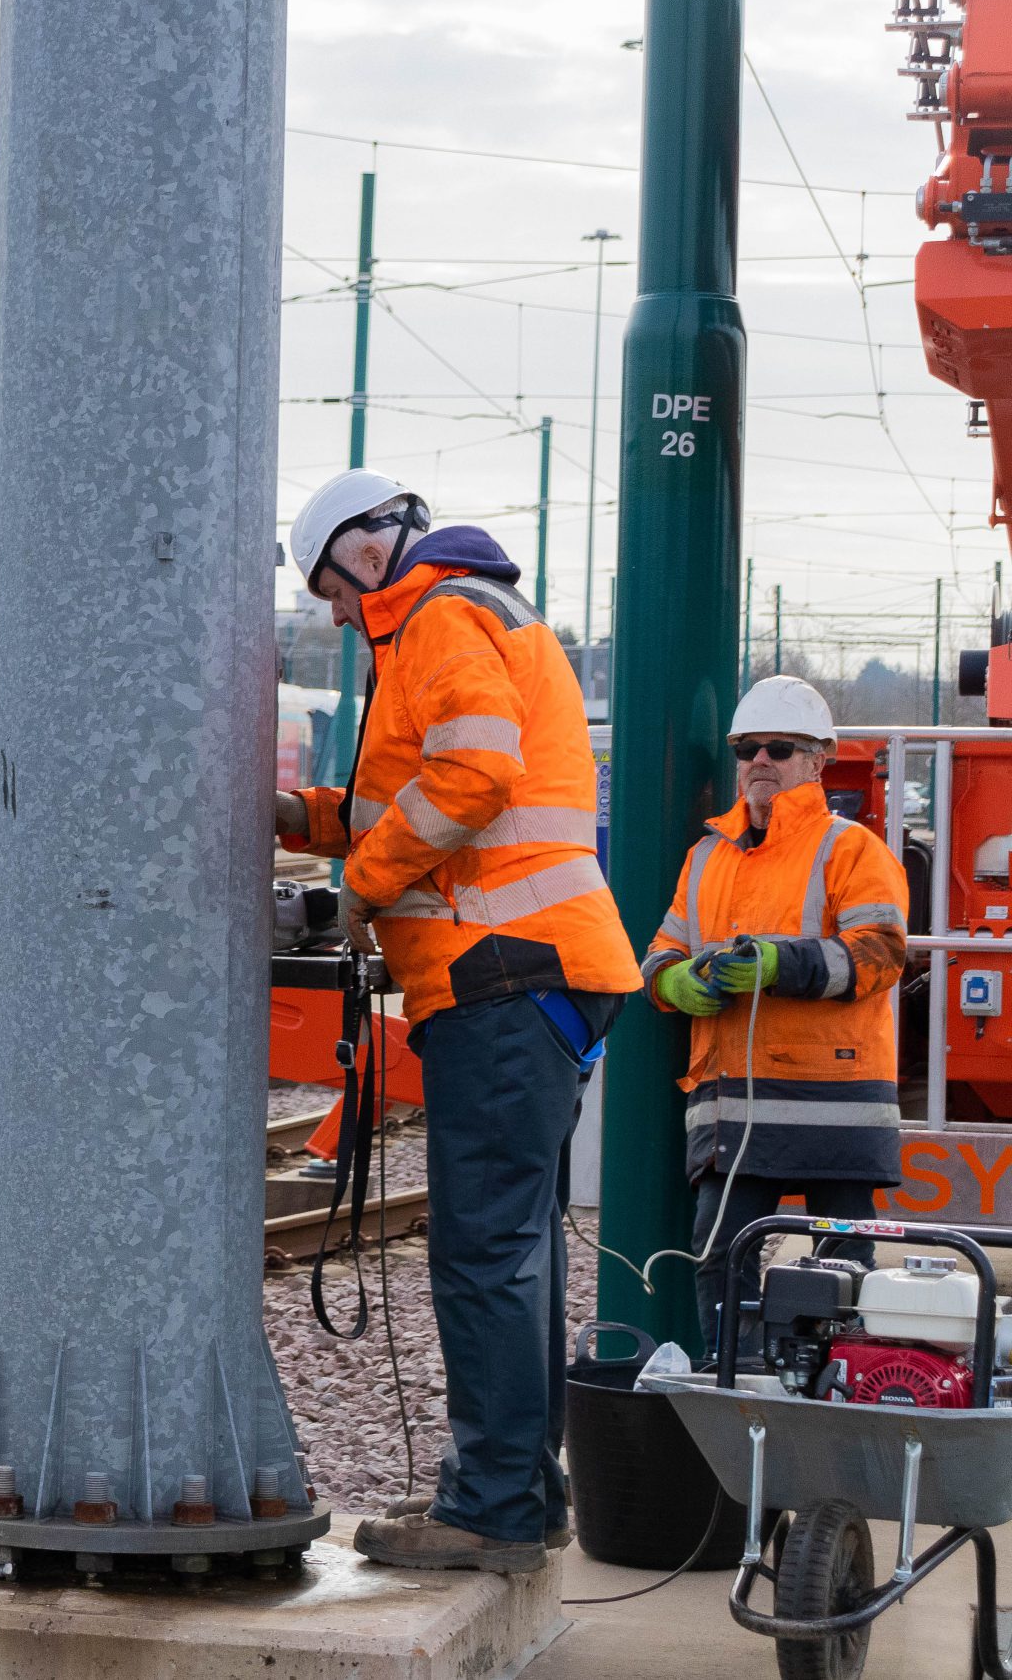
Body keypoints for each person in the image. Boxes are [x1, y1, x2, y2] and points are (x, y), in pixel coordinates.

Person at [274, 468, 641, 1575]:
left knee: (483, 1253)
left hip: (500, 969)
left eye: (328, 588)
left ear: (363, 551)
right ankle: (522, 1495)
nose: (333, 614)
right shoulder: (464, 615)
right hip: (538, 973)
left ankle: (487, 1509)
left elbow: (474, 776)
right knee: (511, 1248)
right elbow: (413, 799)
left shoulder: (437, 614)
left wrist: (361, 890)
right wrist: (305, 817)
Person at [638, 674, 909, 1358]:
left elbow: (879, 955)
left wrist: (777, 965)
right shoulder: (705, 857)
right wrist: (676, 980)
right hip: (734, 1098)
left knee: (843, 1264)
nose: (760, 760)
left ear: (818, 760)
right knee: (719, 1252)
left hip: (835, 1098)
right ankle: (742, 1379)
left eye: (779, 747)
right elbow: (657, 957)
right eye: (747, 747)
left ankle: (830, 1382)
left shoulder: (852, 849)